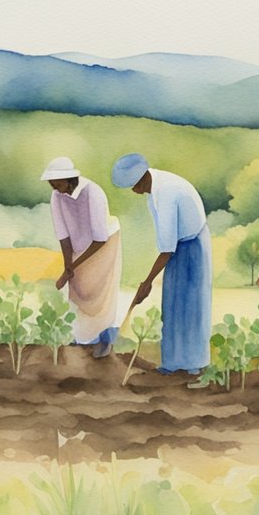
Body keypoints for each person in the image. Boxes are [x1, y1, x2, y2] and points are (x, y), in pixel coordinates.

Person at [112, 153, 211, 375]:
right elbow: (167, 242)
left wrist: (146, 283)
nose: (133, 191)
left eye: (133, 185)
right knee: (172, 304)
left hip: (194, 246)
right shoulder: (154, 191)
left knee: (192, 307)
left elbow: (167, 248)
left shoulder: (167, 193)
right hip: (179, 245)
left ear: (142, 178)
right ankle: (173, 364)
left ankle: (195, 365)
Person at [43, 156, 123, 358]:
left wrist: (72, 268)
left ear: (70, 179)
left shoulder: (92, 193)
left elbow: (99, 238)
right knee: (78, 290)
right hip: (80, 244)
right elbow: (63, 235)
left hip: (104, 244)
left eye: (57, 183)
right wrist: (68, 266)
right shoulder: (56, 196)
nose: (54, 187)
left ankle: (105, 338)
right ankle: (81, 339)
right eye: (51, 184)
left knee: (100, 291)